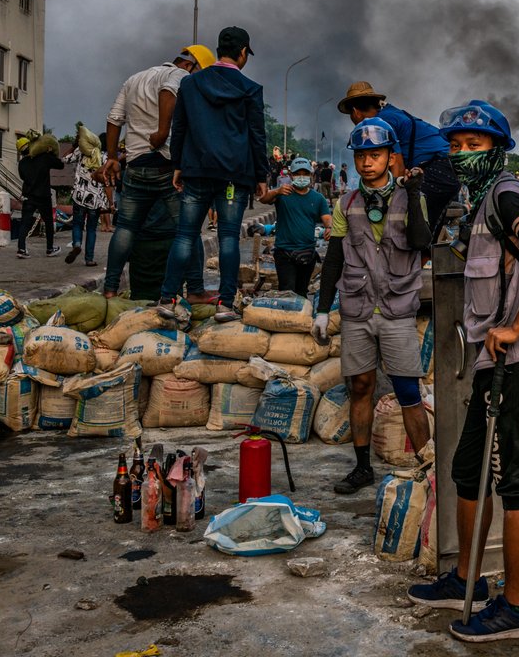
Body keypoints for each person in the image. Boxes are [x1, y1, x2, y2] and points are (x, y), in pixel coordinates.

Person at [407, 99, 519, 643]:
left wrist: (516, 326)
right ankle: (466, 578)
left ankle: (517, 609)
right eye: (455, 146)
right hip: (489, 363)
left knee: (518, 481)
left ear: (498, 149)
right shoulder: (479, 202)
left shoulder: (508, 193)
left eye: (474, 145)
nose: (462, 155)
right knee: (468, 469)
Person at [312, 119, 430, 494]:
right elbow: (333, 258)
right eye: (361, 155)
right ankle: (362, 467)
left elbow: (421, 243)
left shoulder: (412, 195)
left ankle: (427, 466)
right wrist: (321, 308)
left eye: (375, 155)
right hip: (357, 309)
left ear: (390, 157)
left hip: (396, 310)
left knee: (407, 389)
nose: (367, 162)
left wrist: (413, 195)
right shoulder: (346, 202)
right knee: (360, 386)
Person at [158, 27, 269, 322]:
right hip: (234, 177)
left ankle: (167, 298)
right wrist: (261, 175)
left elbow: (178, 127)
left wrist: (178, 165)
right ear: (243, 53)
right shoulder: (250, 89)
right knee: (229, 237)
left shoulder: (191, 85)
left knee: (185, 236)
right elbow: (257, 136)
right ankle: (225, 304)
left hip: (196, 172)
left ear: (218, 49)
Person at [101, 45, 216, 302]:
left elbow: (114, 118)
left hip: (136, 166)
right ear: (191, 65)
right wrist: (163, 132)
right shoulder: (179, 76)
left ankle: (109, 289)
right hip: (165, 166)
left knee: (126, 229)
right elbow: (167, 92)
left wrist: (111, 157)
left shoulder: (134, 79)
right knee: (188, 230)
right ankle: (196, 289)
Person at [337, 81, 460, 240]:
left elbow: (397, 166)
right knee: (427, 225)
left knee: (408, 218)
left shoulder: (381, 124)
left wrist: (391, 199)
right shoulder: (389, 113)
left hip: (439, 168)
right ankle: (426, 256)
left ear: (355, 112)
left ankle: (419, 257)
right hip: (447, 167)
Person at [259, 157, 331, 297]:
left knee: (302, 292)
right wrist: (276, 191)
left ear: (311, 175)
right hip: (284, 252)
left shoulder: (318, 198)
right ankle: (288, 318)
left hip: (307, 253)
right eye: (298, 173)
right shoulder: (283, 193)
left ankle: (301, 318)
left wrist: (329, 228)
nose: (302, 177)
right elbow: (263, 199)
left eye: (305, 173)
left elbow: (327, 218)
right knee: (287, 291)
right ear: (291, 175)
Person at [63, 136, 109, 266]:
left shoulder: (81, 152)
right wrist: (109, 202)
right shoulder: (104, 158)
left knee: (77, 224)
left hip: (79, 197)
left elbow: (64, 158)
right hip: (95, 199)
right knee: (91, 229)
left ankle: (77, 244)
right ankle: (89, 259)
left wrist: (74, 145)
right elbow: (107, 182)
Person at [16, 136, 63, 258]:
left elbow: (23, 177)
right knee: (48, 222)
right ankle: (49, 248)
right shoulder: (44, 158)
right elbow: (60, 165)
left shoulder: (22, 164)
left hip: (28, 196)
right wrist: (50, 153)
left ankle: (21, 249)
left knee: (25, 223)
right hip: (43, 196)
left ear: (20, 152)